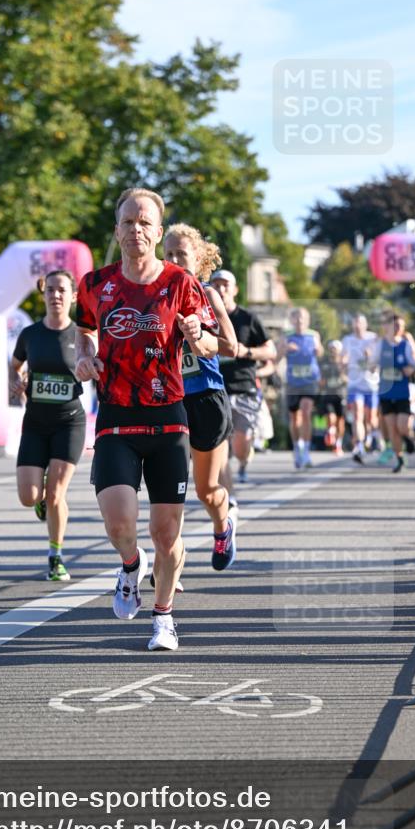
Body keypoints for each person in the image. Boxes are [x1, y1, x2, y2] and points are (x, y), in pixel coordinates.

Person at [74, 187, 218, 651]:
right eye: (127, 223)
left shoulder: (180, 283)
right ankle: (130, 565)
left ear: (157, 232)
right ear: (117, 232)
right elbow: (84, 331)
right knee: (119, 523)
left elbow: (213, 345)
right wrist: (84, 357)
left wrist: (198, 334)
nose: (136, 230)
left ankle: (163, 618)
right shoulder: (95, 284)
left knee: (166, 531)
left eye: (144, 223)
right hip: (116, 414)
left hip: (168, 417)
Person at [163, 224, 238, 572]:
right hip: (168, 402)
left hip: (206, 398)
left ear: (197, 258)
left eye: (182, 254)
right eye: (169, 254)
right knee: (167, 494)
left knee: (206, 491)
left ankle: (223, 524)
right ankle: (168, 565)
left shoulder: (207, 294)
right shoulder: (156, 294)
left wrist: (200, 338)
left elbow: (232, 346)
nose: (175, 260)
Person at [9, 269, 86, 582]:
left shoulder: (82, 335)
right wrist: (15, 382)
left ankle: (56, 557)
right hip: (36, 422)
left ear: (73, 296)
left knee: (56, 493)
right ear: (43, 294)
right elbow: (14, 367)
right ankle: (39, 500)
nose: (56, 295)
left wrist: (91, 369)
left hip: (70, 422)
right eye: (50, 289)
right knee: (29, 496)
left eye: (62, 290)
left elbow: (99, 365)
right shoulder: (30, 335)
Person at [209, 269, 276, 500]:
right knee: (221, 446)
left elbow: (271, 351)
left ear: (235, 290)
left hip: (244, 389)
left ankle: (245, 461)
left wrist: (245, 351)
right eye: (216, 284)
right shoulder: (205, 318)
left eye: (226, 284)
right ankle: (229, 497)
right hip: (216, 390)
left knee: (241, 444)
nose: (220, 288)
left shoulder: (248, 318)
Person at [370, 312, 415, 473]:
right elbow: (372, 363)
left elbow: (413, 363)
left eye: (400, 326)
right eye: (395, 325)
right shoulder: (380, 344)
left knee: (402, 426)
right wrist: (371, 366)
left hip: (401, 393)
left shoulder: (405, 345)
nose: (398, 328)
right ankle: (400, 459)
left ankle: (408, 438)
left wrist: (409, 369)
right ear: (388, 327)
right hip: (385, 393)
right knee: (392, 428)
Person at [276, 307, 323, 469]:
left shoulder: (313, 335)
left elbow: (320, 352)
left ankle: (306, 451)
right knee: (294, 417)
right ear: (292, 320)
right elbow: (277, 356)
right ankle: (297, 448)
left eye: (303, 318)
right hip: (292, 382)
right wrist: (284, 349)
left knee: (306, 411)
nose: (300, 321)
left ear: (307, 320)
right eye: (296, 318)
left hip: (310, 380)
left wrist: (319, 350)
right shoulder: (286, 337)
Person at [341, 313, 380, 464]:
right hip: (354, 384)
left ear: (365, 324)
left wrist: (370, 357)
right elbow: (343, 360)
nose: (357, 326)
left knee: (371, 419)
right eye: (355, 323)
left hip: (371, 385)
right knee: (357, 415)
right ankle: (359, 446)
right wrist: (343, 362)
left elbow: (376, 364)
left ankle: (370, 436)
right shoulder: (347, 340)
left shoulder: (373, 339)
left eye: (360, 323)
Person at [319, 340, 347, 455]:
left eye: (335, 349)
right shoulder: (325, 364)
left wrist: (341, 372)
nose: (333, 351)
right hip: (328, 394)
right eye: (331, 349)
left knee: (340, 421)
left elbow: (348, 379)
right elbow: (321, 380)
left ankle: (338, 444)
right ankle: (330, 431)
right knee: (331, 418)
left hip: (340, 395)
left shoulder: (344, 364)